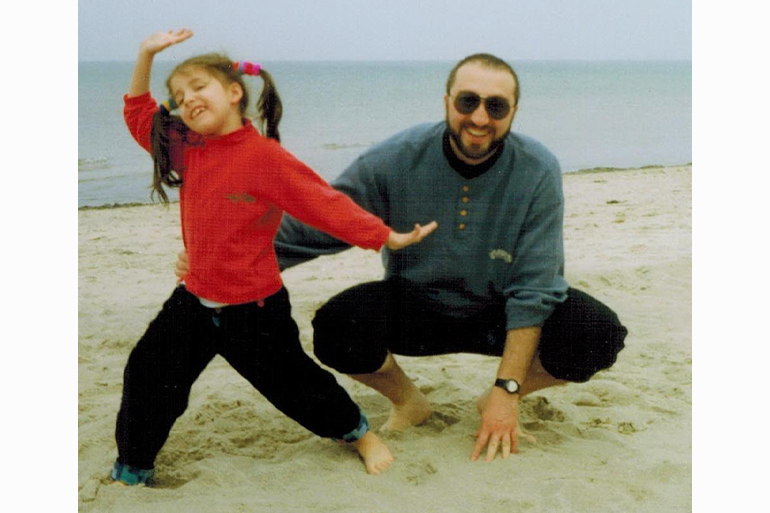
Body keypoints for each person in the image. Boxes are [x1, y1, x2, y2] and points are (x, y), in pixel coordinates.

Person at [176, 53, 628, 463]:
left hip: (499, 313)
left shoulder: (537, 168)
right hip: (417, 307)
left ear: (513, 112)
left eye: (496, 106)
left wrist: (507, 390)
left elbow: (536, 284)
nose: (479, 117)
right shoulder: (396, 158)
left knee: (599, 333)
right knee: (335, 327)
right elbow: (325, 221)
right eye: (468, 101)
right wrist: (216, 258)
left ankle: (493, 396)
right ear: (447, 100)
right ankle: (409, 402)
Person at [111, 29, 438, 485]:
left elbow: (323, 203)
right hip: (195, 300)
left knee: (295, 386)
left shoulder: (264, 158)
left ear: (233, 92)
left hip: (256, 309)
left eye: (198, 87)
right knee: (148, 373)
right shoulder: (188, 148)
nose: (187, 100)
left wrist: (383, 235)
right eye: (179, 96)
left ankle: (359, 434)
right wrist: (145, 53)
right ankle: (133, 468)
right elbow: (139, 116)